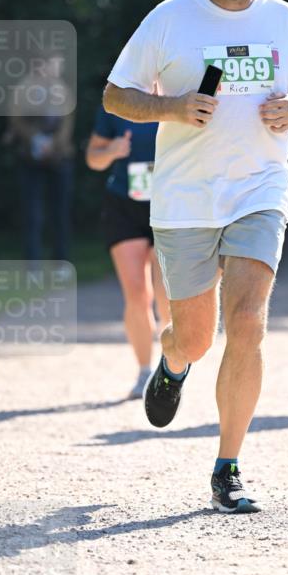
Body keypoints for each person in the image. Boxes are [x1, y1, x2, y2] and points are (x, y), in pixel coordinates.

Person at [103, 0, 288, 513]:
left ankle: (228, 465)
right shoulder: (170, 18)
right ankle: (173, 363)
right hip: (184, 197)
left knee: (250, 322)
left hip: (259, 188)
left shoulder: (284, 19)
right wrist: (173, 108)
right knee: (198, 336)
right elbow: (115, 94)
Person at [85, 108, 171, 399]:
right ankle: (144, 371)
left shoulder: (180, 91)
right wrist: (112, 149)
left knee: (166, 296)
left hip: (170, 203)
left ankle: (171, 366)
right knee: (136, 294)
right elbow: (93, 158)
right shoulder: (118, 100)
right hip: (124, 204)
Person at [6, 111, 75, 266]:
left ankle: (60, 262)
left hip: (60, 157)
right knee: (32, 215)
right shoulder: (24, 89)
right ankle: (32, 264)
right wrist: (36, 139)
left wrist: (55, 144)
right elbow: (16, 118)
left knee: (60, 214)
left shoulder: (62, 89)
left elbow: (68, 120)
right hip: (29, 158)